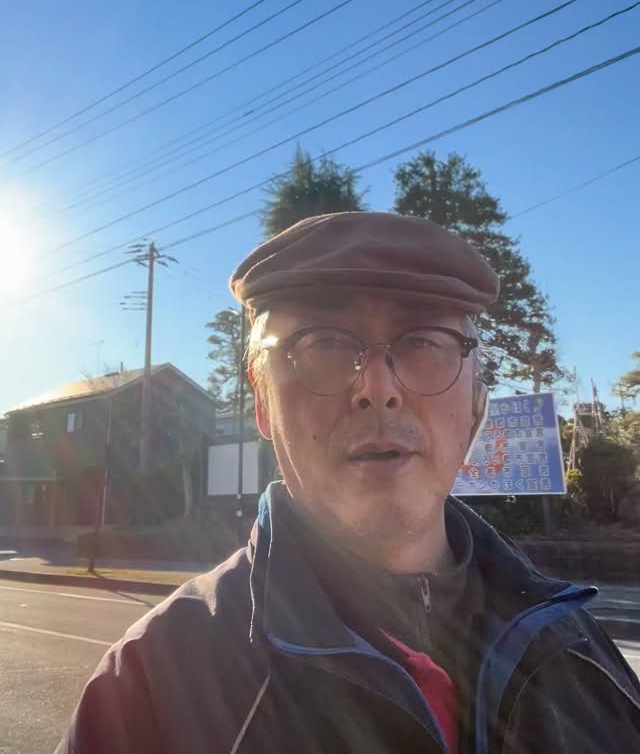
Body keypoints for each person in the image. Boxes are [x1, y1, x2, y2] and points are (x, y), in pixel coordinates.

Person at [56, 211, 640, 754]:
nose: (377, 389)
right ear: (262, 403)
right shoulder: (150, 685)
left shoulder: (584, 654)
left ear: (476, 404)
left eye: (424, 342)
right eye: (323, 345)